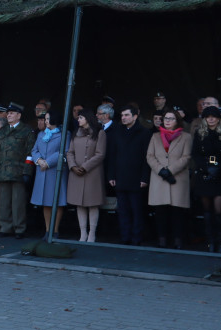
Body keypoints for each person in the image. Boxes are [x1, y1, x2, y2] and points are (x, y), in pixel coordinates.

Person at [192, 105, 221, 252]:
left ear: (219, 118)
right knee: (207, 211)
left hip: (220, 175)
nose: (211, 119)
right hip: (204, 174)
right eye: (208, 116)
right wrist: (206, 167)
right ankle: (210, 241)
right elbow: (196, 154)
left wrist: (218, 168)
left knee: (219, 211)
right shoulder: (199, 134)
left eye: (214, 116)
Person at [145, 110, 192, 249]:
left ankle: (177, 240)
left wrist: (170, 170)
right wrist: (161, 170)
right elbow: (150, 156)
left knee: (177, 212)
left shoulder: (186, 137)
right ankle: (162, 240)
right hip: (159, 178)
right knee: (160, 212)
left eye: (171, 118)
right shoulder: (155, 136)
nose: (167, 121)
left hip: (177, 178)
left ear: (177, 121)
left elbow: (187, 157)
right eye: (166, 118)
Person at [107, 104, 152, 245]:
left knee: (137, 210)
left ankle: (137, 237)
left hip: (137, 178)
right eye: (122, 115)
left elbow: (147, 158)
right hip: (120, 177)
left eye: (126, 115)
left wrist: (145, 177)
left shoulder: (144, 133)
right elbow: (112, 155)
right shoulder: (117, 132)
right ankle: (125, 236)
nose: (123, 118)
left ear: (135, 116)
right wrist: (111, 175)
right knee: (123, 210)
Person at [0, 102, 35, 239]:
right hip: (3, 172)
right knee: (4, 202)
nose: (8, 115)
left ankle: (19, 228)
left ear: (19, 115)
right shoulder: (2, 131)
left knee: (18, 203)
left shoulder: (26, 131)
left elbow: (30, 153)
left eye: (11, 113)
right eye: (8, 113)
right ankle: (5, 227)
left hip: (18, 171)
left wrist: (27, 171)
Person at [66, 110, 107, 242]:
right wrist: (72, 166)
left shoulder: (100, 133)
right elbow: (69, 152)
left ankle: (92, 233)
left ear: (88, 119)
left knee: (93, 204)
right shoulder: (75, 134)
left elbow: (100, 154)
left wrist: (85, 166)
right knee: (80, 204)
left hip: (92, 173)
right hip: (76, 173)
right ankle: (83, 233)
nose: (78, 120)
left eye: (81, 117)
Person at [30, 110, 68, 237]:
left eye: (47, 119)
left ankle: (55, 230)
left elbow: (64, 151)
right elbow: (34, 150)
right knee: (45, 202)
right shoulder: (41, 134)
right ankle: (47, 230)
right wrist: (39, 160)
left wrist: (48, 162)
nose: (45, 121)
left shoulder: (64, 134)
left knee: (56, 201)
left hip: (54, 171)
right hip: (42, 171)